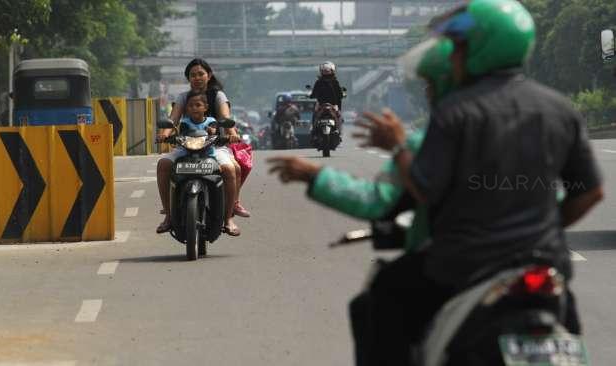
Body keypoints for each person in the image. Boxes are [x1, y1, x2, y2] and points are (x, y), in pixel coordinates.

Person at [349, 1, 604, 364]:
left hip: (465, 264)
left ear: (479, 49)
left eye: (458, 46)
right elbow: (591, 191)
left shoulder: (456, 113)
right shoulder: (559, 108)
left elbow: (425, 189)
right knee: (567, 318)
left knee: (382, 295)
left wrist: (398, 145)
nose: (452, 56)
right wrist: (543, 229)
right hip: (545, 263)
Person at [267, 37, 455, 365]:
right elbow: (568, 199)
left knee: (373, 302)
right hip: (534, 259)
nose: (426, 92)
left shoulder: (434, 137)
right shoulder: (546, 116)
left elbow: (378, 202)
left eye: (429, 84)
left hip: (451, 261)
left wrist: (315, 176)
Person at [157, 58, 244, 236]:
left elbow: (226, 118)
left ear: (209, 75)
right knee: (163, 164)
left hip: (214, 146)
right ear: (188, 78)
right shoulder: (183, 97)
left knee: (229, 169)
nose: (197, 78)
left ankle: (228, 218)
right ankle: (168, 215)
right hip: (186, 145)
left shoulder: (218, 96)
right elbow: (172, 119)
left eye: (200, 74)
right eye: (192, 75)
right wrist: (164, 134)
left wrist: (232, 133)